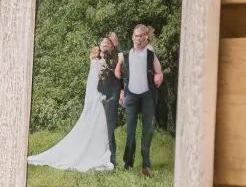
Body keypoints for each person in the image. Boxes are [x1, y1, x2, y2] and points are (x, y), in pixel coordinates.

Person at [27, 44, 114, 174]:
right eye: (103, 45)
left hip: (104, 98)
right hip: (97, 98)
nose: (105, 47)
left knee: (101, 126)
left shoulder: (109, 61)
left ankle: (101, 152)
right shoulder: (96, 62)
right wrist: (96, 98)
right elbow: (93, 82)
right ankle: (95, 154)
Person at [117, 24, 164, 176]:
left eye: (141, 36)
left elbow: (159, 72)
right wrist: (122, 92)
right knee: (130, 131)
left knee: (147, 131)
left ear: (146, 37)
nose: (138, 39)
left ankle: (146, 165)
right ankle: (128, 163)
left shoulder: (150, 54)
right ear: (133, 37)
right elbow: (119, 75)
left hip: (147, 96)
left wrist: (158, 78)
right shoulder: (124, 55)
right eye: (136, 36)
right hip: (131, 96)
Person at [96, 32, 123, 166]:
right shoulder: (98, 57)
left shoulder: (118, 57)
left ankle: (111, 159)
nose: (109, 43)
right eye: (107, 41)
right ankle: (100, 156)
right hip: (100, 96)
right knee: (100, 128)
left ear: (115, 43)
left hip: (112, 96)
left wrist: (121, 92)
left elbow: (122, 77)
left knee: (109, 128)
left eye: (112, 41)